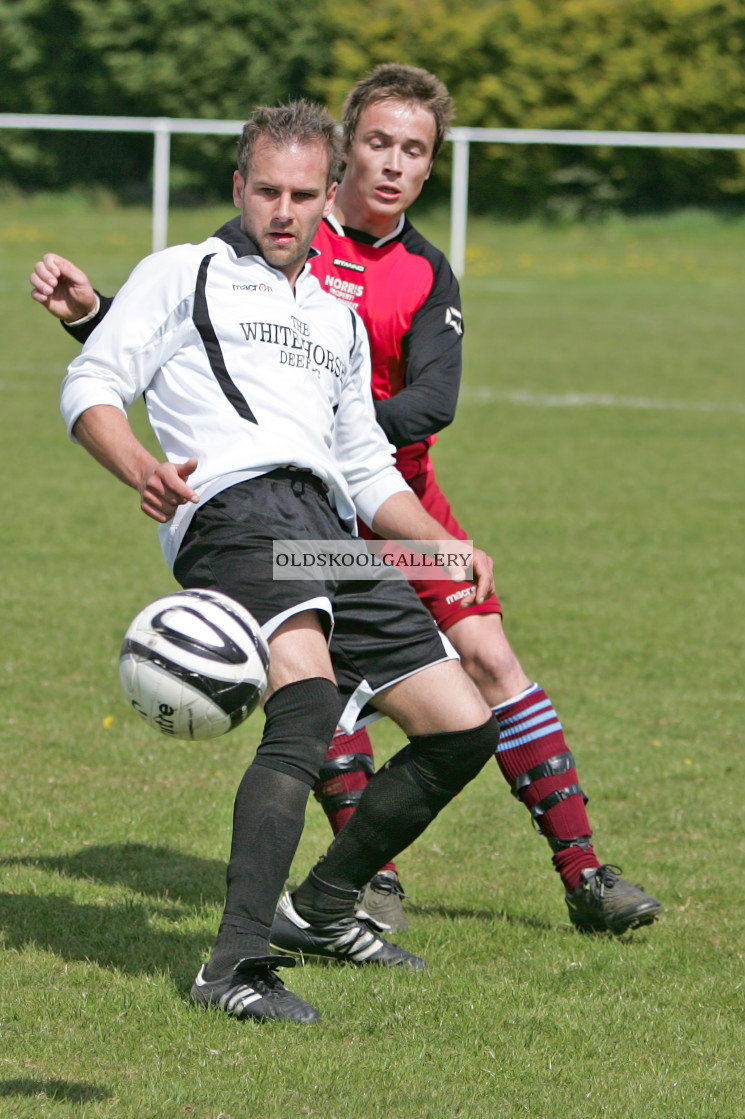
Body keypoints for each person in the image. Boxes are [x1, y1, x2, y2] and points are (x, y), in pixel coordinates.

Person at [33, 65, 661, 939]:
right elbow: (135, 359)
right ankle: (288, 929)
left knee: (473, 694)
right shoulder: (227, 253)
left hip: (356, 507)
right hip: (255, 509)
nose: (282, 210)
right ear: (322, 162)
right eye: (377, 143)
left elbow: (396, 438)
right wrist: (134, 424)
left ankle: (455, 886)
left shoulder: (379, 293)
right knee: (310, 697)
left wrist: (419, 524)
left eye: (413, 151)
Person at [57, 99, 511, 1025]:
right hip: (232, 509)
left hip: (325, 526)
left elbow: (364, 465)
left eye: (304, 194)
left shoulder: (337, 315)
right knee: (303, 704)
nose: (284, 211)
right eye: (267, 190)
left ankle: (321, 909)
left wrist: (443, 543)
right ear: (239, 186)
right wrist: (140, 466)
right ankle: (232, 963)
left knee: (462, 723)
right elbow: (91, 383)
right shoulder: (182, 273)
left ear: (325, 195)